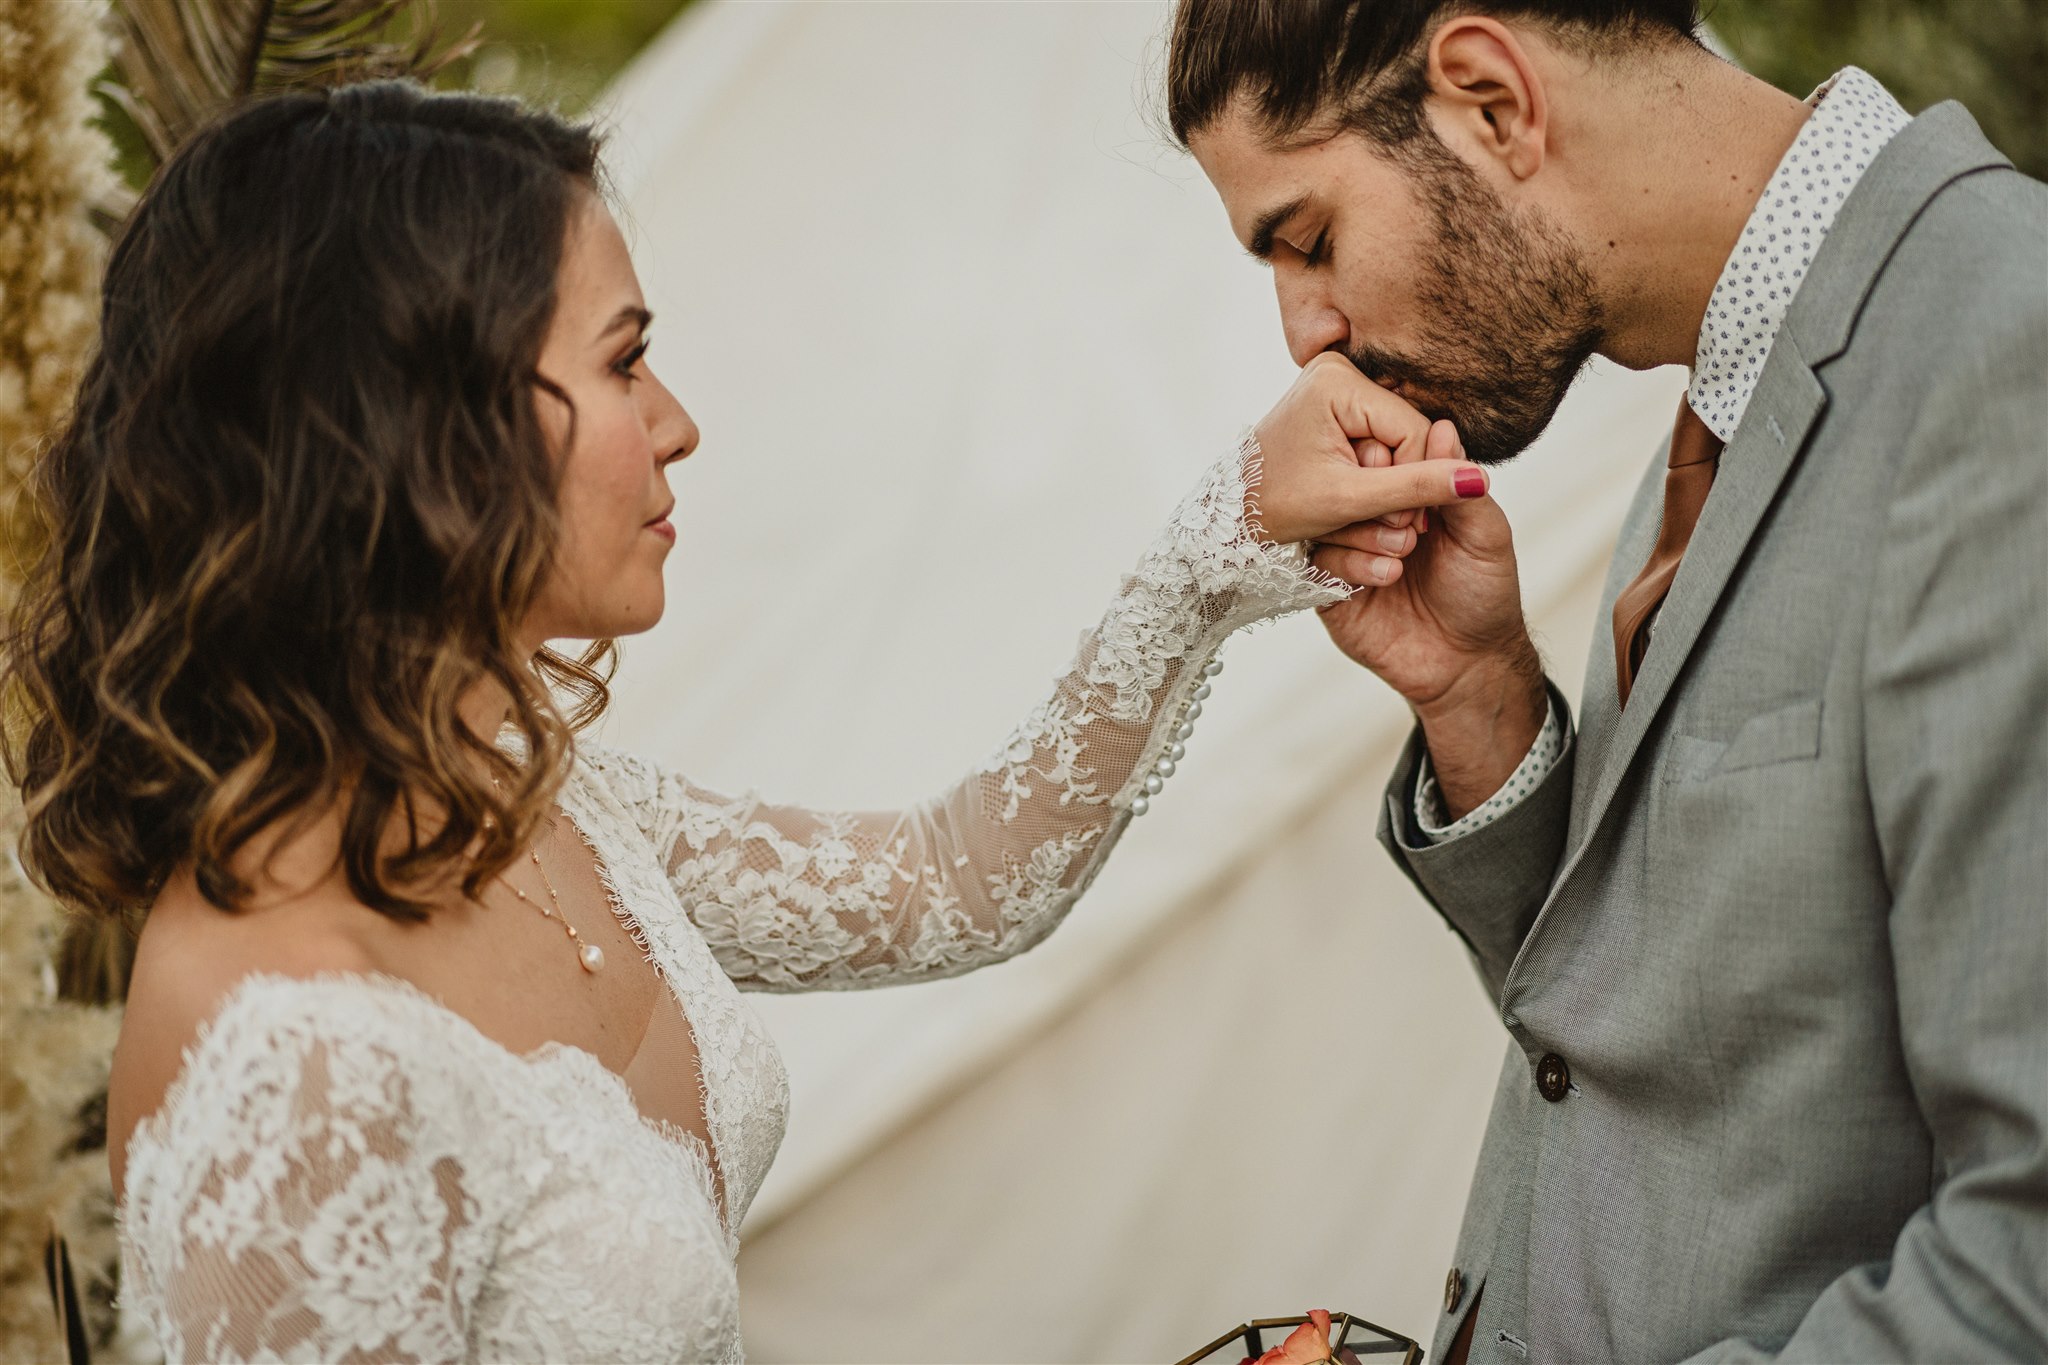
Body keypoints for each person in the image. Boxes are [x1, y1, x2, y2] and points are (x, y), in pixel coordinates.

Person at [1, 79, 1489, 1363]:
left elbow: (954, 883)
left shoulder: (528, 794)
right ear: (413, 426)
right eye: (623, 357)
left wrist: (1225, 535)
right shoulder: (290, 1062)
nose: (677, 419)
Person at [1166, 1, 2046, 1361]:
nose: (1306, 331)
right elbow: (1683, 1059)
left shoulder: (2005, 350)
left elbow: (2023, 1266)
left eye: (1308, 237)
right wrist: (1479, 697)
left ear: (1490, 99)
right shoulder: (1724, 404)